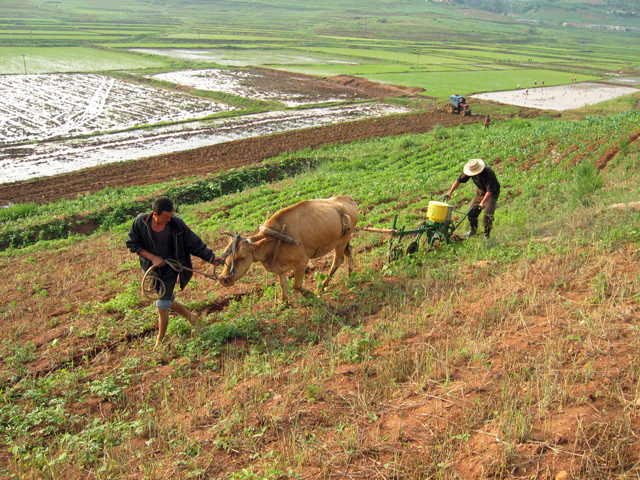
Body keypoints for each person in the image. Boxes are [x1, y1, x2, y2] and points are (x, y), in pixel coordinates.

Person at [125, 196, 224, 347]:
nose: (169, 220)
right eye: (166, 217)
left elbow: (194, 243)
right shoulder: (140, 223)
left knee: (162, 304)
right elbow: (132, 243)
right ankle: (191, 317)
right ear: (155, 214)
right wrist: (152, 257)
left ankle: (160, 340)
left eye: (171, 216)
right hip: (151, 268)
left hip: (171, 267)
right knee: (167, 300)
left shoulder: (177, 224)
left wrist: (211, 257)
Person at [444, 158, 501, 239]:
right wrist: (450, 192)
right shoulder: (470, 172)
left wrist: (483, 202)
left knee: (487, 214)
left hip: (491, 194)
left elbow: (490, 190)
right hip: (480, 192)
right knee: (471, 211)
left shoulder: (489, 173)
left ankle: (486, 235)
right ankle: (473, 230)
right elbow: (459, 180)